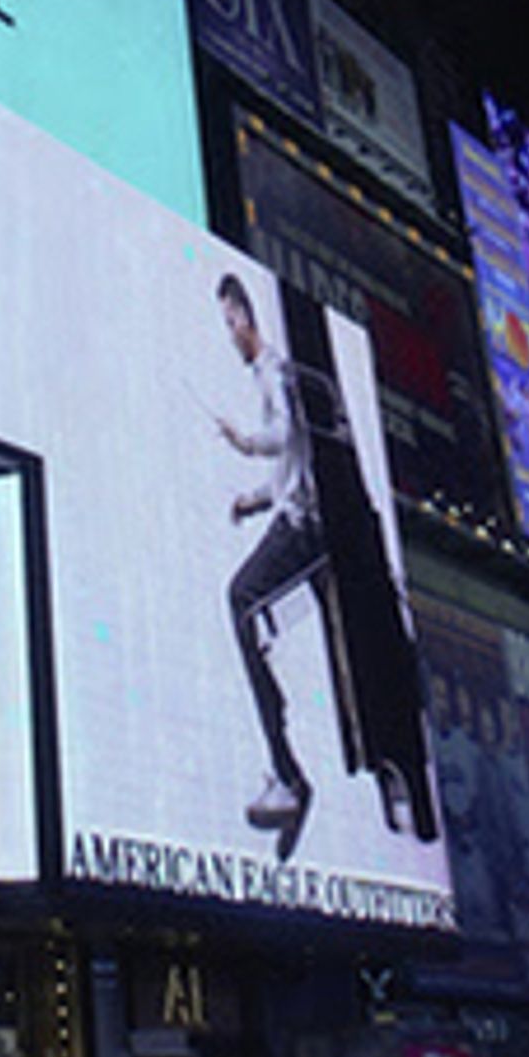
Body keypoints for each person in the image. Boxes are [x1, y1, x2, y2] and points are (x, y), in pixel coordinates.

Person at [216, 271, 325, 861]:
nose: (229, 334)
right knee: (249, 610)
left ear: (245, 317)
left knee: (240, 600)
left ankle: (288, 775)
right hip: (295, 517)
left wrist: (242, 442)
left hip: (305, 530)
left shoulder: (274, 371)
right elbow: (294, 468)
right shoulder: (271, 373)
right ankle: (283, 761)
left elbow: (283, 436)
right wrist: (250, 500)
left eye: (230, 322)